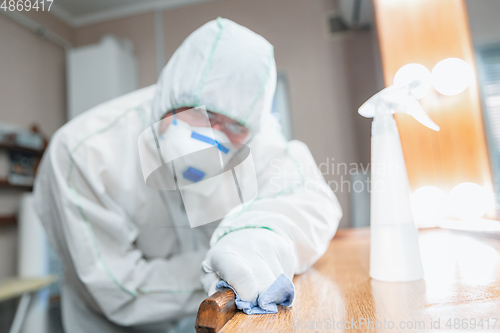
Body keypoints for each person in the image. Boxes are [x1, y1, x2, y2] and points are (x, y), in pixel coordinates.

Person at [34, 18, 342, 333]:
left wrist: (262, 234)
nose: (211, 136)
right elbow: (117, 289)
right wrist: (222, 274)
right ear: (168, 98)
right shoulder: (83, 154)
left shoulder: (255, 137)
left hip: (223, 320)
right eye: (199, 114)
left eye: (233, 127)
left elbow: (307, 194)